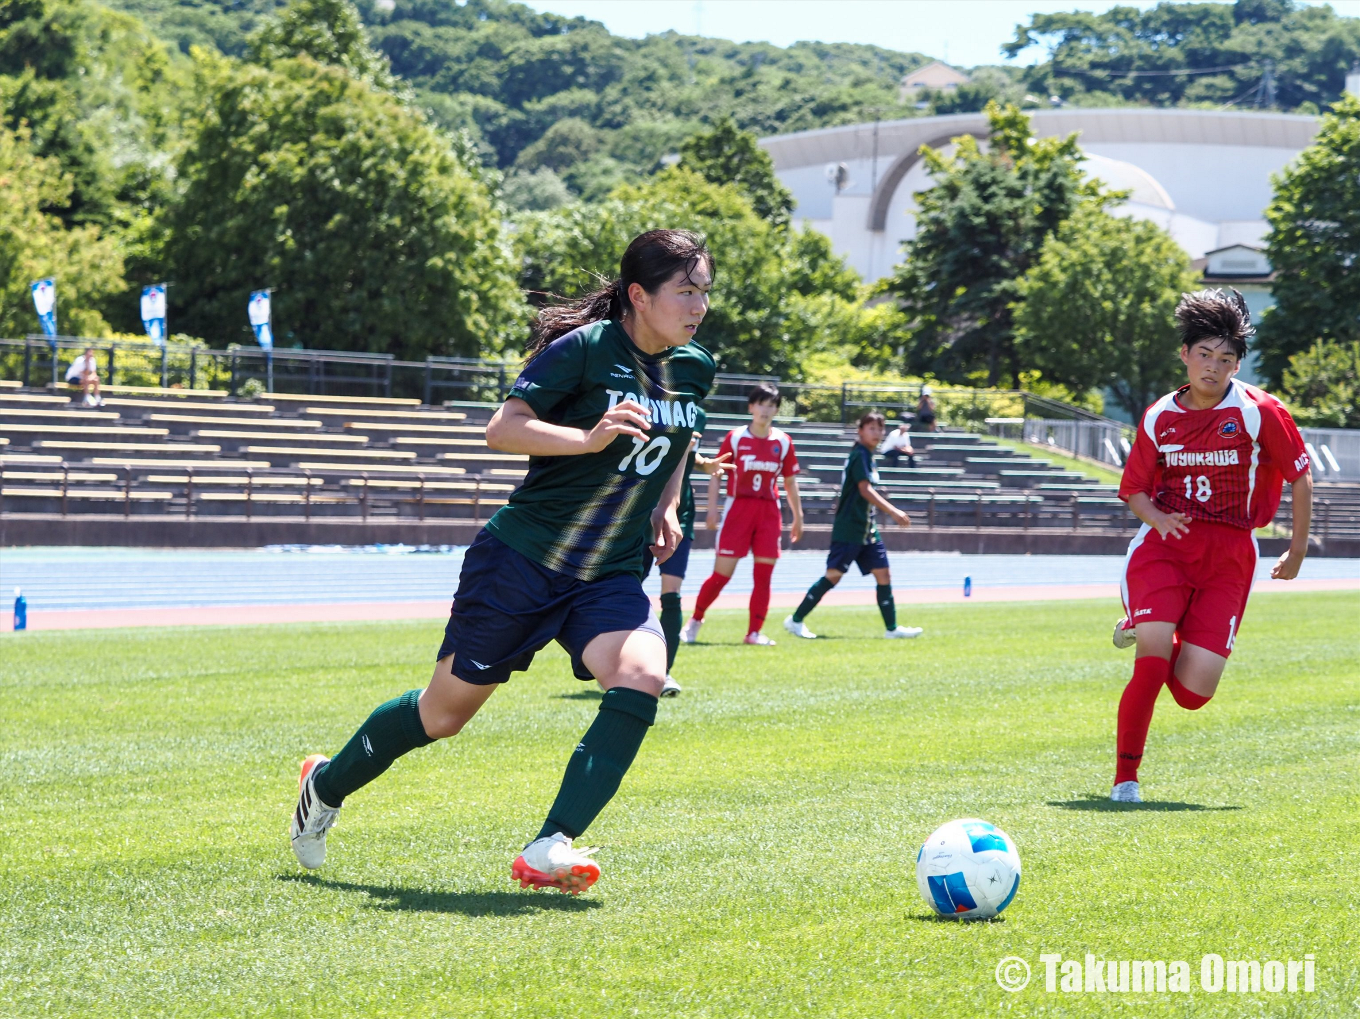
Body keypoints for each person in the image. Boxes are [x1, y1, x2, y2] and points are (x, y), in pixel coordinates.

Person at [289, 230, 717, 895]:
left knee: (642, 675)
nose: (698, 305)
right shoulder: (583, 351)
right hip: (522, 561)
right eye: (685, 290)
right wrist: (588, 436)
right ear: (639, 294)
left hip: (607, 572)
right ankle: (324, 784)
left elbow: (681, 435)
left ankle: (551, 843)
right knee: (443, 715)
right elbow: (503, 426)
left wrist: (665, 502)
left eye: (704, 292)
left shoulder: (695, 366)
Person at [1109, 288, 1312, 804]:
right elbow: (1132, 489)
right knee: (1151, 664)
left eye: (1225, 359)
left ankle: (1149, 627)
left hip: (1230, 556)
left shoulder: (1259, 411)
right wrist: (1157, 517)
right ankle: (1125, 781)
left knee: (1194, 695)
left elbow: (1301, 477)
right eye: (1204, 354)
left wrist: (1297, 550)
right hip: (1164, 547)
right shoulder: (1159, 416)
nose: (1213, 367)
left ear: (1237, 364)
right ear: (1185, 354)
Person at [681, 384, 803, 646]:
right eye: (761, 403)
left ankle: (754, 633)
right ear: (751, 407)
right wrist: (711, 508)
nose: (766, 410)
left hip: (769, 511)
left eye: (771, 405)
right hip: (738, 509)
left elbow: (790, 482)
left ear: (777, 409)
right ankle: (695, 620)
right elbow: (717, 472)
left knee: (763, 575)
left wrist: (798, 517)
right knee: (721, 575)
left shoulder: (783, 441)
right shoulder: (735, 437)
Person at [784, 411, 923, 640]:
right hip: (850, 528)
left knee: (883, 574)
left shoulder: (868, 455)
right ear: (860, 431)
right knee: (833, 576)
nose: (877, 433)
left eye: (880, 429)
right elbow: (864, 489)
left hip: (867, 530)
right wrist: (893, 511)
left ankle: (892, 629)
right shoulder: (860, 455)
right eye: (871, 428)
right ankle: (795, 620)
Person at [639, 412, 732, 696]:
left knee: (672, 594)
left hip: (680, 514)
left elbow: (686, 452)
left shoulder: (694, 412)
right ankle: (616, 663)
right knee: (626, 588)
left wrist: (704, 463)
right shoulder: (647, 401)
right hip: (640, 508)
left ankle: (663, 673)